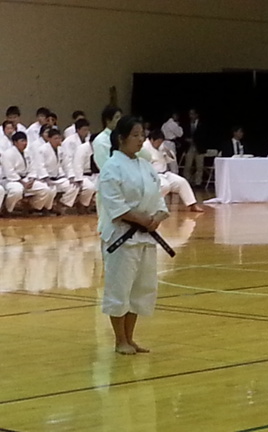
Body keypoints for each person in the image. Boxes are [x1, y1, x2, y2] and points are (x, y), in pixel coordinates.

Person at [98, 115, 169, 355]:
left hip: (145, 238)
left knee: (141, 289)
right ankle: (120, 340)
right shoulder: (111, 167)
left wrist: (157, 218)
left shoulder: (145, 165)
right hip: (121, 237)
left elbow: (158, 199)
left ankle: (131, 338)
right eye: (136, 135)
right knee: (120, 288)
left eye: (142, 136)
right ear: (121, 138)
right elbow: (114, 205)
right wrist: (141, 219)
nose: (141, 140)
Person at [143, 130, 203, 212]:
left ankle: (192, 204)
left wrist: (167, 151)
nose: (160, 144)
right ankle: (155, 206)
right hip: (153, 175)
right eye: (158, 142)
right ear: (152, 140)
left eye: (161, 142)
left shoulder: (162, 147)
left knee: (182, 181)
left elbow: (169, 159)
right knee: (165, 186)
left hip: (165, 173)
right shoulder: (144, 147)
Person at [1, 132, 55, 214]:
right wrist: (23, 183)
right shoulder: (7, 154)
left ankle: (33, 207)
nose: (25, 143)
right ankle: (8, 209)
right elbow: (9, 172)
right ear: (15, 142)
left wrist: (31, 179)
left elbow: (33, 168)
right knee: (17, 191)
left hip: (26, 179)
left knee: (45, 189)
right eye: (22, 141)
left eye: (26, 141)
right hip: (11, 180)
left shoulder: (28, 153)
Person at [38, 129, 79, 213]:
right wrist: (46, 179)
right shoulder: (42, 149)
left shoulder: (61, 150)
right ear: (49, 139)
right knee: (50, 190)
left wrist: (71, 177)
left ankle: (61, 204)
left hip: (58, 178)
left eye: (59, 138)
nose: (58, 140)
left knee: (74, 186)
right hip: (45, 179)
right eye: (55, 138)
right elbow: (40, 166)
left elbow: (67, 165)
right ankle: (47, 208)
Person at [72, 134, 98, 212]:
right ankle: (82, 205)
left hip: (95, 173)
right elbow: (78, 164)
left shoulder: (99, 148)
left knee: (103, 186)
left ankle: (94, 206)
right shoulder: (82, 148)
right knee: (90, 187)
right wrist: (79, 178)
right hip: (83, 174)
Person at [183, 108, 207, 186]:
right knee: (188, 166)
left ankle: (198, 182)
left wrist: (195, 140)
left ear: (196, 115)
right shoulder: (186, 124)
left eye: (193, 114)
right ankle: (187, 181)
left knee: (199, 166)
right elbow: (183, 135)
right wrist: (187, 139)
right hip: (189, 147)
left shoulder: (202, 124)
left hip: (199, 147)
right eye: (190, 114)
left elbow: (204, 136)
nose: (191, 116)